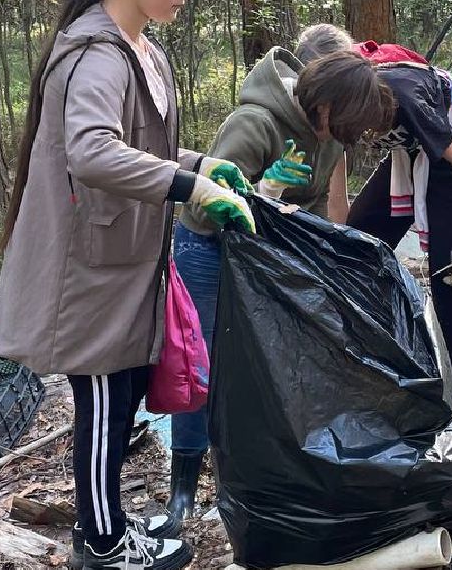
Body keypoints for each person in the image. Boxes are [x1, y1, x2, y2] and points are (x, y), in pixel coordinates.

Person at [0, 0, 257, 570]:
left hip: (129, 260)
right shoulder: (95, 53)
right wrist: (188, 188)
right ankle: (104, 546)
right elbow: (92, 153)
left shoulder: (145, 49)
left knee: (120, 396)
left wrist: (198, 165)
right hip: (90, 269)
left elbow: (143, 145)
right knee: (105, 405)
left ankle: (101, 528)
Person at [165, 43, 395, 532]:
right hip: (207, 251)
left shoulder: (331, 134)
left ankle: (246, 476)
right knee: (202, 367)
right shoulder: (256, 122)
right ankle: (182, 484)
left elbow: (314, 208)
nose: (349, 140)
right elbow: (205, 203)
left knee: (267, 363)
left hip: (267, 254)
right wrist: (264, 190)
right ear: (326, 105)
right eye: (349, 124)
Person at [348, 44, 452, 432]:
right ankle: (373, 347)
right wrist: (340, 234)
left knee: (450, 268)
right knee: (357, 241)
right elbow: (339, 190)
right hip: (411, 148)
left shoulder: (403, 96)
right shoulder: (335, 101)